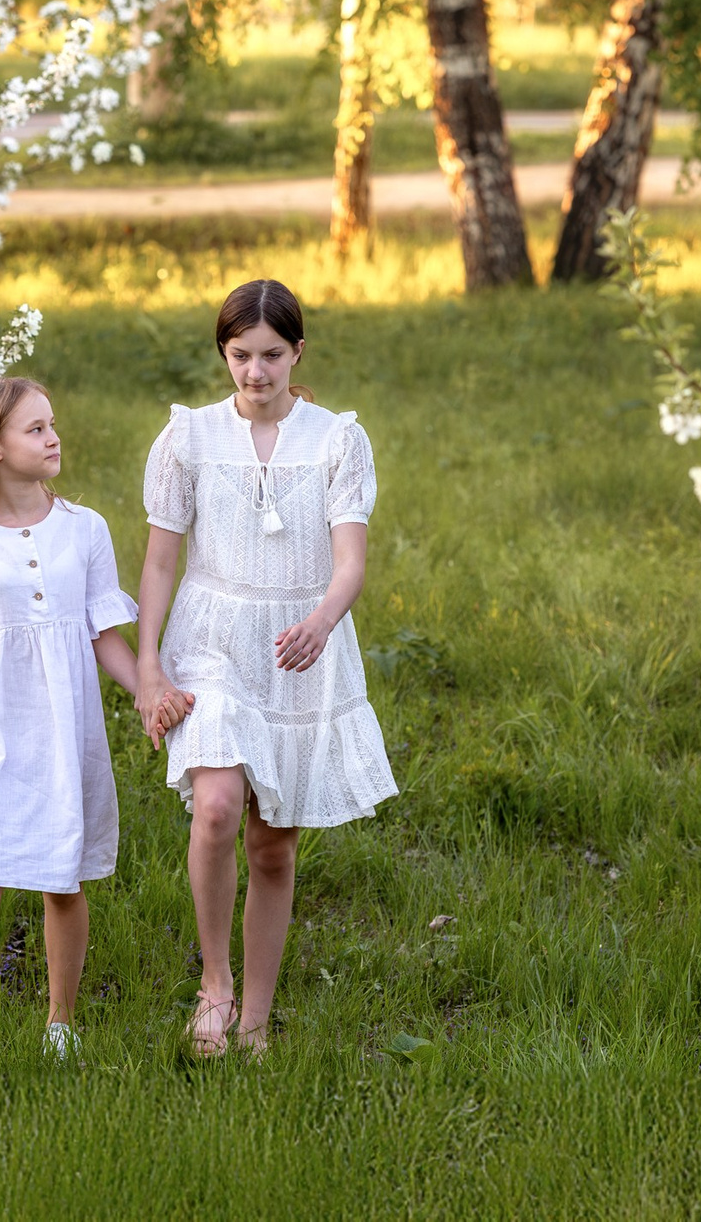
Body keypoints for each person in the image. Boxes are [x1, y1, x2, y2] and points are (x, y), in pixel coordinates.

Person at [134, 279, 397, 1056]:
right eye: (240, 355)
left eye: (272, 355)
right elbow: (158, 562)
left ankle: (256, 1016)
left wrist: (321, 620)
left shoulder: (337, 440)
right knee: (216, 807)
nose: (255, 372)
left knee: (272, 842)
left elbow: (349, 561)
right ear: (224, 352)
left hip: (296, 643)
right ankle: (213, 984)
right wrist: (149, 666)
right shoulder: (187, 437)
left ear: (298, 353)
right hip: (212, 636)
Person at [0, 376, 191, 1074]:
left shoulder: (85, 529)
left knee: (63, 880)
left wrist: (148, 691)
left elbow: (103, 633)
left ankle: (60, 1020)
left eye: (52, 423)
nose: (53, 436)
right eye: (35, 429)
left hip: (66, 731)